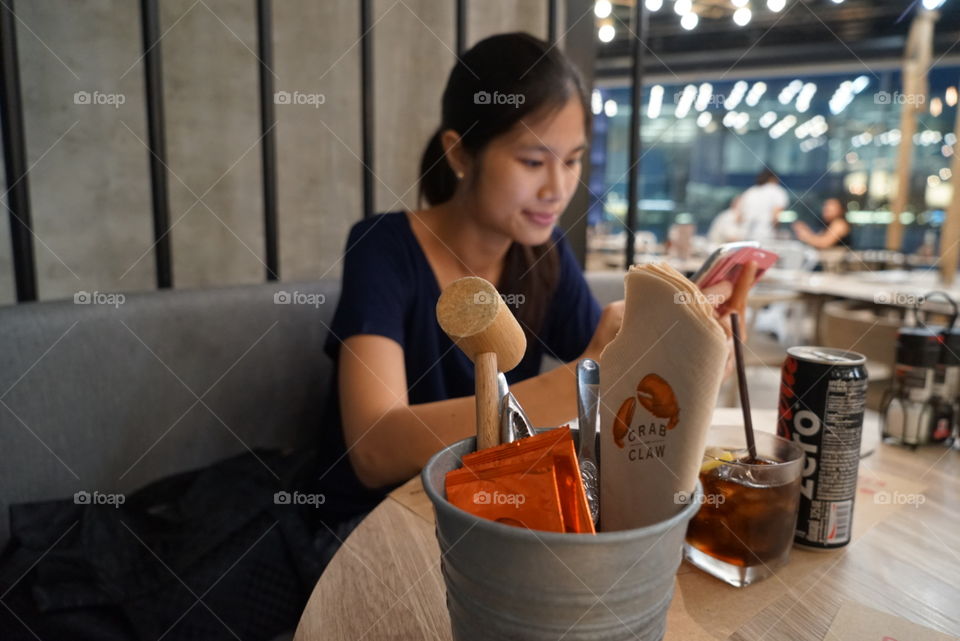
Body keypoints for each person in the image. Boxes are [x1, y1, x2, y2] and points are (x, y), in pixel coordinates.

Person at [316, 33, 753, 533]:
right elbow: (373, 449)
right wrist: (588, 379)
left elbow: (614, 405)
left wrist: (687, 359)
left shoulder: (544, 257)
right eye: (532, 161)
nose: (557, 188)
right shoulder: (383, 247)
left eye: (572, 160)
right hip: (372, 524)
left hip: (487, 516)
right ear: (459, 155)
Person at [739, 169, 788, 241]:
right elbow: (776, 217)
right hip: (767, 237)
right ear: (773, 179)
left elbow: (740, 216)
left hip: (747, 236)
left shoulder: (750, 191)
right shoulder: (777, 191)